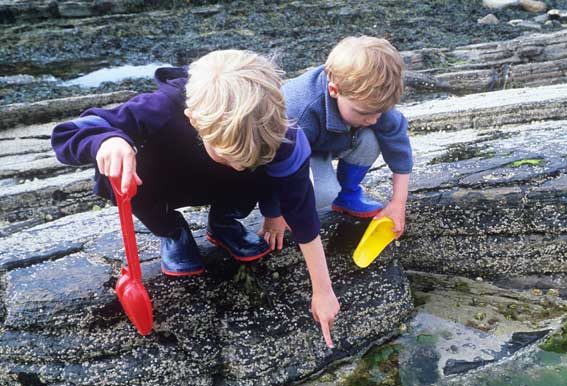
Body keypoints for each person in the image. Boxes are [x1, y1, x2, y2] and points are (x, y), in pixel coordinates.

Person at [51, 50, 339, 347]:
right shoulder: (160, 109)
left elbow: (302, 212)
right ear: (193, 120)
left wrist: (323, 290)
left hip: (225, 185)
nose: (240, 165)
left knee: (262, 168)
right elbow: (69, 133)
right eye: (231, 156)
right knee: (119, 171)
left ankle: (224, 221)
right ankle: (172, 231)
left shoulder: (276, 131)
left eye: (246, 159)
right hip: (168, 178)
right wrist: (107, 141)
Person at [258, 36, 413, 250]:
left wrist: (398, 202)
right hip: (297, 150)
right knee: (324, 193)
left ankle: (348, 194)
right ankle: (307, 201)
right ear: (334, 90)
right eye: (364, 112)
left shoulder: (372, 102)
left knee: (373, 137)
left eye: (379, 113)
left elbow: (399, 147)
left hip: (335, 139)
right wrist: (273, 213)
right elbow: (274, 163)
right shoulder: (300, 113)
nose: (373, 119)